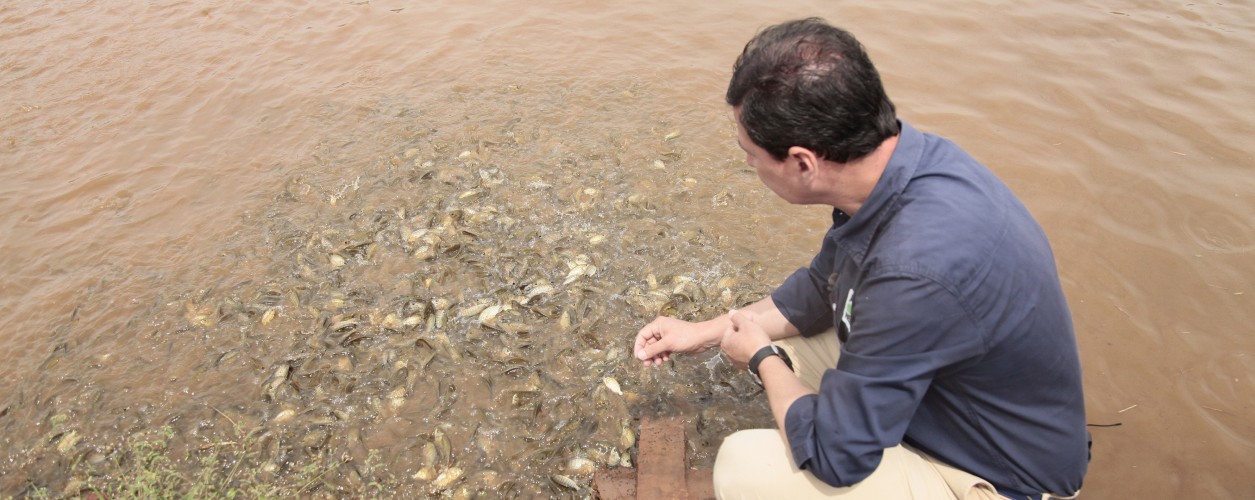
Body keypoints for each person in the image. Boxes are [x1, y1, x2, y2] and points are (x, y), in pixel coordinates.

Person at [633, 18, 1088, 500]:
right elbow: (817, 289)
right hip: (955, 399)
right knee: (778, 345)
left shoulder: (913, 272)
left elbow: (837, 458)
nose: (748, 165)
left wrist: (763, 359)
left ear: (803, 162)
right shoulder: (908, 165)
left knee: (744, 466)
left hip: (999, 474)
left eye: (751, 155)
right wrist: (704, 331)